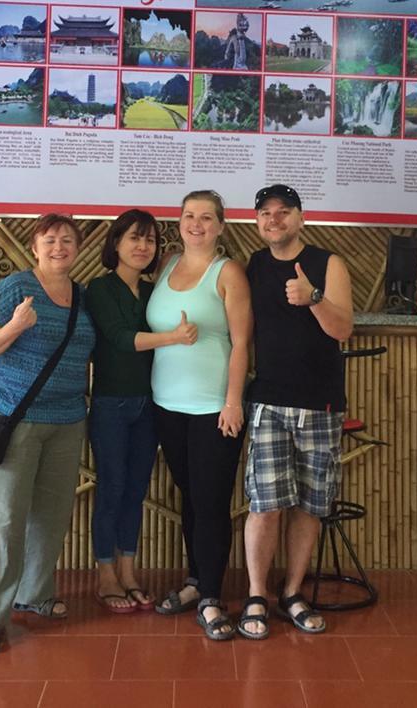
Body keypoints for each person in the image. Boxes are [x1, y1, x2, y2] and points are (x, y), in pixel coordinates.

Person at [0, 214, 96, 654]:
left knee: (51, 515)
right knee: (4, 518)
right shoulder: (14, 288)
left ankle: (34, 592)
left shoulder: (82, 295)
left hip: (68, 420)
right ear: (35, 247)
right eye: (50, 240)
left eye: (67, 240)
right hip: (16, 418)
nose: (59, 247)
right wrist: (17, 325)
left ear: (77, 249)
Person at [239, 184, 354, 639]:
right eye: (265, 213)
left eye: (283, 212)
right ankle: (255, 594)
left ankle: (291, 592)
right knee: (265, 504)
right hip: (267, 400)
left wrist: (313, 297)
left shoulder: (329, 264)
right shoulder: (254, 265)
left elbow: (343, 329)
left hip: (321, 403)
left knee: (309, 506)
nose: (274, 220)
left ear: (300, 218)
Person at [147, 190, 252, 640]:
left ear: (221, 226)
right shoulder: (167, 264)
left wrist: (233, 402)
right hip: (166, 405)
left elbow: (243, 343)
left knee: (211, 503)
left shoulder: (228, 273)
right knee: (190, 497)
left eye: (206, 218)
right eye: (190, 216)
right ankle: (195, 582)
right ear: (179, 222)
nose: (197, 224)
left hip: (213, 408)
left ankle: (211, 597)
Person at [84, 209, 198, 613]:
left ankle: (129, 571)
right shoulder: (98, 289)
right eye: (134, 237)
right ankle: (105, 575)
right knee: (112, 488)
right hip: (111, 405)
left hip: (150, 404)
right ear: (116, 243)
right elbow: (118, 339)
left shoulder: (154, 293)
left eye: (149, 240)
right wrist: (174, 338)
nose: (142, 246)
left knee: (135, 490)